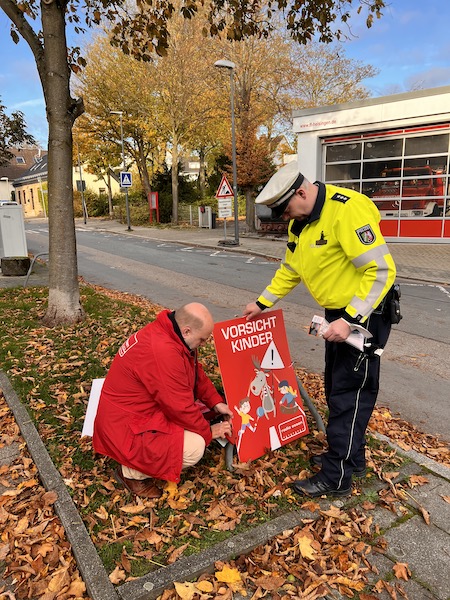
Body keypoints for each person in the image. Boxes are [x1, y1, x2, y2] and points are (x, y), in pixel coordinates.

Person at [244, 161, 397, 498]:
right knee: (335, 387)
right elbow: (290, 269)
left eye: (286, 210)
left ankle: (336, 476)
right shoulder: (301, 224)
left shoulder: (347, 211)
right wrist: (261, 303)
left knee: (350, 394)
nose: (285, 218)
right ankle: (349, 458)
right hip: (337, 314)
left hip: (364, 314)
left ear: (302, 191)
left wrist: (351, 318)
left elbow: (382, 272)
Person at [93, 302, 233, 499]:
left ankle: (135, 462)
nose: (203, 345)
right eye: (202, 340)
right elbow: (179, 407)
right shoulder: (163, 351)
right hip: (125, 426)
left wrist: (215, 402)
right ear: (186, 331)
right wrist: (208, 432)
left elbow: (194, 372)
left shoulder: (171, 334)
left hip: (134, 414)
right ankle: (131, 474)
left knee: (195, 422)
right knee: (195, 447)